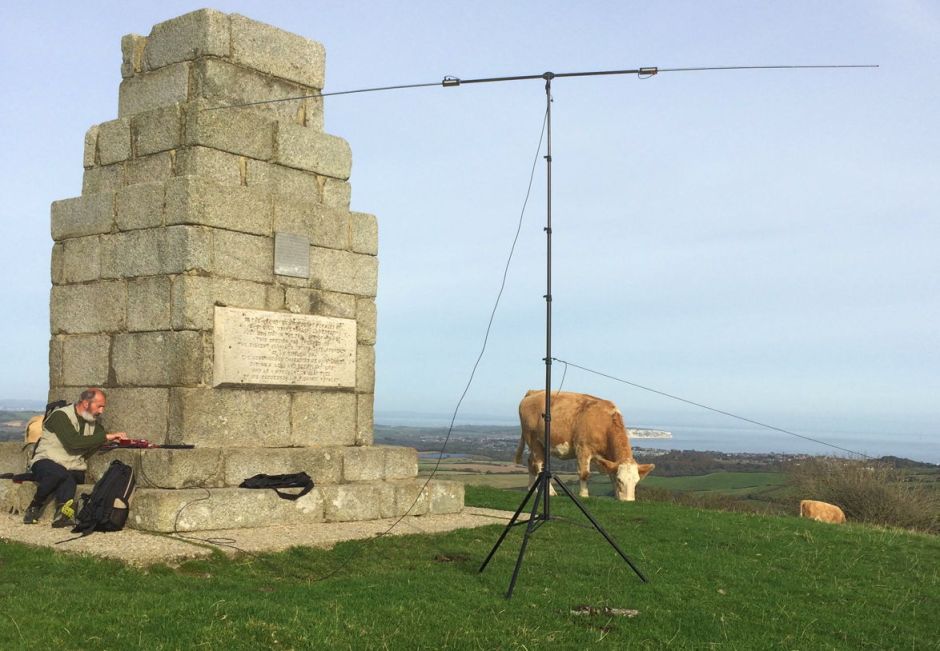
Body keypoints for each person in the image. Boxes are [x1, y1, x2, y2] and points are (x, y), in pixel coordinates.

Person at [22, 388, 127, 527]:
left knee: (68, 476)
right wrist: (106, 437)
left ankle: (63, 514)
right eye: (99, 406)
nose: (101, 411)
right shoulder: (60, 416)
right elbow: (74, 442)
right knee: (59, 474)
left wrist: (114, 441)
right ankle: (36, 504)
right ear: (85, 403)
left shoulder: (94, 424)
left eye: (103, 407)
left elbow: (96, 442)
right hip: (45, 461)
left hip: (72, 467)